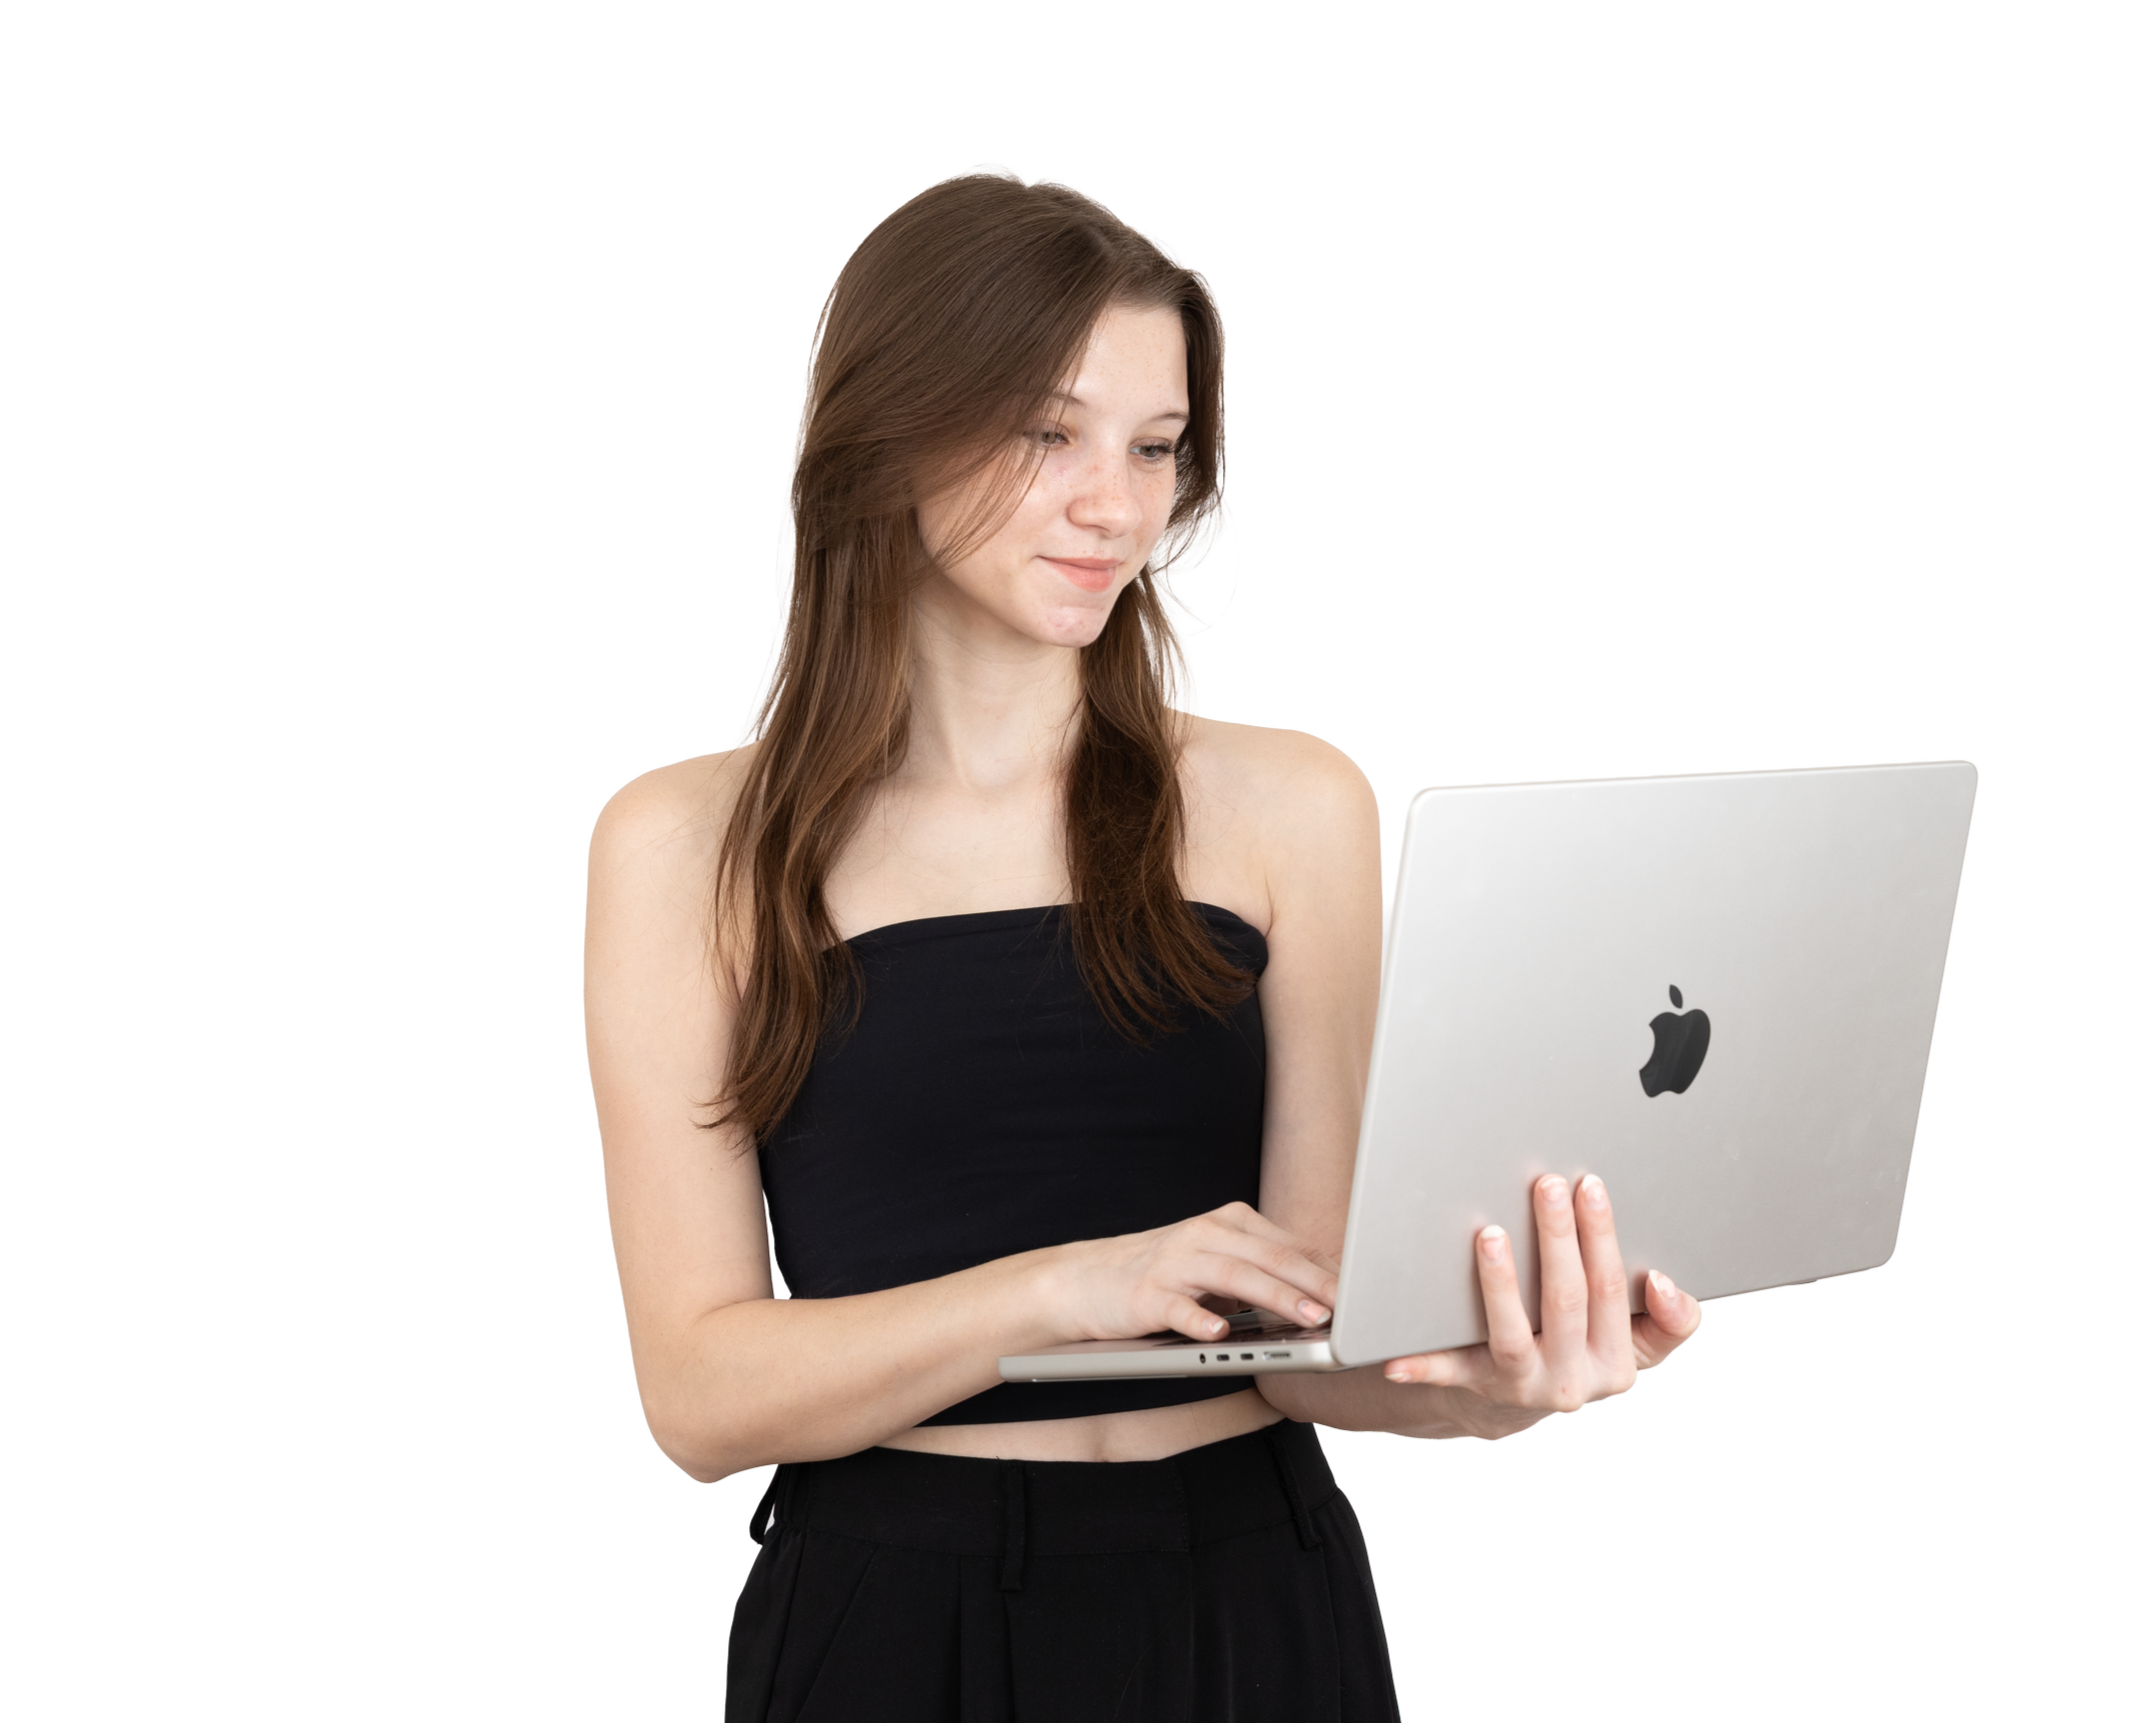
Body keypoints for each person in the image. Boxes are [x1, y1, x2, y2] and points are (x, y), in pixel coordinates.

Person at [583, 165, 1706, 1721]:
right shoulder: (684, 841)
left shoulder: (1289, 803)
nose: (1116, 506)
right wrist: (1058, 1292)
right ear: (884, 429)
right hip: (889, 1609)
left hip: (1258, 1585)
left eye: (1156, 446)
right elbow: (700, 1401)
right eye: (1048, 432)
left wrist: (1494, 1392)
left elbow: (1310, 1347)